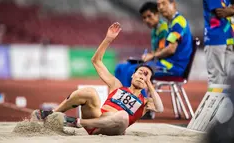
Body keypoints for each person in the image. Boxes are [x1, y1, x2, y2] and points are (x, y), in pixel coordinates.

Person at [32, 22, 164, 136]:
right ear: (132, 75)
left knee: (123, 116)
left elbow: (160, 108)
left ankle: (75, 122)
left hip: (112, 128)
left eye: (146, 76)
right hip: (96, 119)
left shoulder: (145, 103)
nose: (142, 76)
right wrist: (108, 39)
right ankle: (52, 115)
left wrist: (149, 84)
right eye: (140, 72)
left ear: (148, 83)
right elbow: (96, 61)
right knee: (89, 91)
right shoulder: (117, 85)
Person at [125, 0, 193, 86]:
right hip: (167, 64)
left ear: (173, 4)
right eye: (159, 5)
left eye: (164, 3)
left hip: (174, 67)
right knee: (128, 68)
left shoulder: (178, 22)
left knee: (134, 71)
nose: (160, 7)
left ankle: (140, 99)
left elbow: (171, 49)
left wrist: (152, 56)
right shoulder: (171, 23)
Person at [114, 1, 168, 97]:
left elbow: (162, 51)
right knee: (120, 68)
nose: (146, 20)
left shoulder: (163, 28)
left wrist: (151, 55)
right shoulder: (154, 30)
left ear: (157, 14)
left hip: (163, 65)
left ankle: (141, 103)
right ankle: (123, 97)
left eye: (149, 16)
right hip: (154, 62)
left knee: (133, 71)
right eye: (144, 18)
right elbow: (156, 51)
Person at [203, 0, 234, 85]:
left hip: (229, 39)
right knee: (216, 79)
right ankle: (214, 99)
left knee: (229, 79)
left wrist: (231, 10)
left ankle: (225, 99)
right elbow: (220, 12)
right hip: (215, 40)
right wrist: (231, 10)